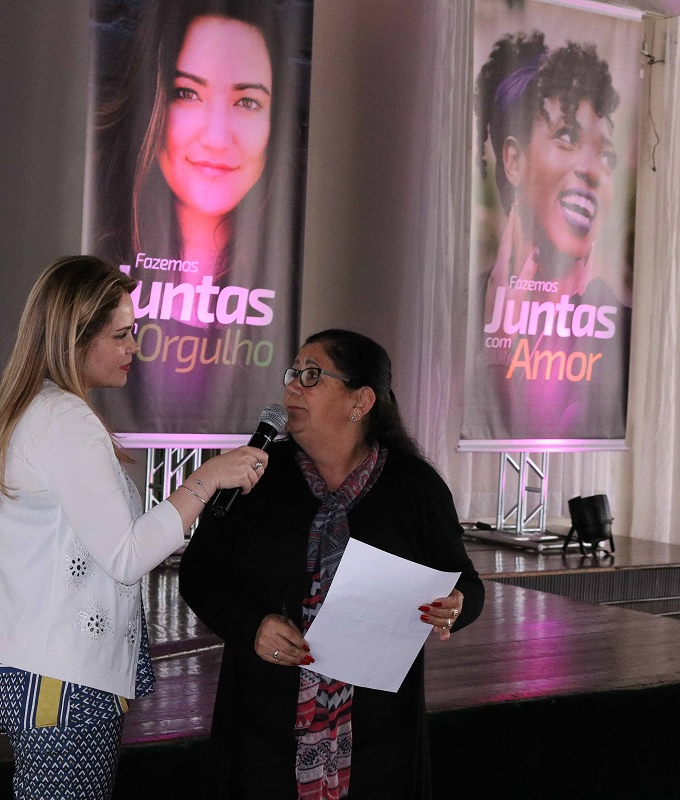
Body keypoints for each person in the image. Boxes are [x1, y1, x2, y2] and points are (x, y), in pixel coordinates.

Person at [0, 255, 270, 799]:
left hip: (42, 670)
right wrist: (205, 480)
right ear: (73, 339)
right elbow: (127, 556)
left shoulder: (41, 410)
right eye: (121, 335)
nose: (135, 347)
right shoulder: (63, 419)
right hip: (62, 677)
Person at [179, 329, 486, 799]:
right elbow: (199, 573)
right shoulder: (255, 475)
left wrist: (456, 604)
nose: (292, 386)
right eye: (293, 373)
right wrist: (252, 625)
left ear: (360, 401)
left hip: (378, 739)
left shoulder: (414, 487)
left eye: (312, 375)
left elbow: (467, 583)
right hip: (263, 731)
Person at [87, 0, 305, 434]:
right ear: (152, 101)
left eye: (247, 102)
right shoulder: (90, 254)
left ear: (275, 123)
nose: (217, 137)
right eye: (187, 93)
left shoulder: (298, 272)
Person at [471, 30, 631, 439]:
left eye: (606, 155)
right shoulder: (463, 311)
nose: (592, 170)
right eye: (568, 136)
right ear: (514, 161)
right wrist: (498, 347)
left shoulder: (621, 332)